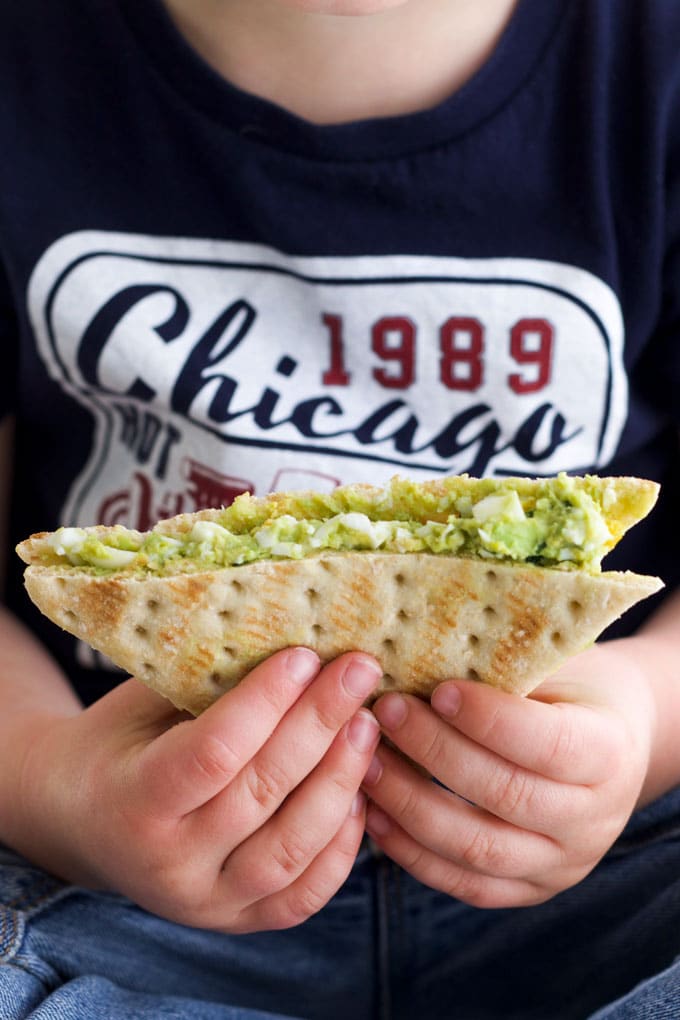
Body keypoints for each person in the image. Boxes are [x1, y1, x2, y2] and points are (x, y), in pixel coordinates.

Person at [0, 0, 679, 1017]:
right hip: (112, 884)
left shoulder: (652, 67)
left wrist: (642, 717)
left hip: (610, 868)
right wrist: (58, 787)